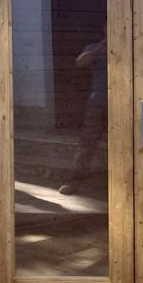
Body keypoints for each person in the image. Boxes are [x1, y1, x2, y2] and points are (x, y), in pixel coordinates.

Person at [59, 31, 107, 195]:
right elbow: (80, 62)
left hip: (123, 105)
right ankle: (74, 182)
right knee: (86, 145)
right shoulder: (94, 47)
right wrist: (101, 47)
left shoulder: (130, 47)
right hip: (97, 103)